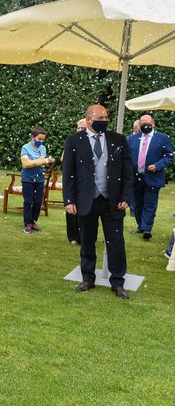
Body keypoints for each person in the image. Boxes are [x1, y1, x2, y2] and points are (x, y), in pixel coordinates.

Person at [62, 104, 133, 299]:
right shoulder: (74, 141)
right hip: (87, 200)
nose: (104, 120)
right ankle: (88, 278)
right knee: (87, 240)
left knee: (116, 241)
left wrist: (126, 197)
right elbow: (68, 173)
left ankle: (118, 282)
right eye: (100, 117)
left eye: (106, 116)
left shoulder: (118, 140)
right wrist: (69, 200)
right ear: (88, 120)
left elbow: (128, 172)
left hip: (113, 201)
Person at [127, 114, 173, 240]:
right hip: (136, 177)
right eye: (142, 123)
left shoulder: (163, 138)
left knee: (150, 203)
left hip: (153, 176)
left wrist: (157, 165)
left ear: (153, 124)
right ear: (139, 125)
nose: (145, 125)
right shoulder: (132, 139)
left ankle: (147, 229)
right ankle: (141, 226)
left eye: (147, 123)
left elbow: (169, 156)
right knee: (137, 203)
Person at [20, 126, 55, 234]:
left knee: (38, 202)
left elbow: (36, 163)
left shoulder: (43, 149)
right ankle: (27, 224)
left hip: (39, 179)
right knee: (28, 202)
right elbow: (26, 164)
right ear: (32, 137)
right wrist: (43, 161)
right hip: (28, 179)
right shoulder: (25, 148)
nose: (41, 141)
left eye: (43, 140)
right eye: (39, 139)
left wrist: (41, 161)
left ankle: (33, 222)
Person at [62, 119, 87, 245]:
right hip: (73, 179)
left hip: (86, 181)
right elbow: (63, 158)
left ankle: (83, 235)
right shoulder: (72, 141)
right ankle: (73, 236)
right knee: (71, 207)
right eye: (78, 128)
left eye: (83, 128)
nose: (80, 130)